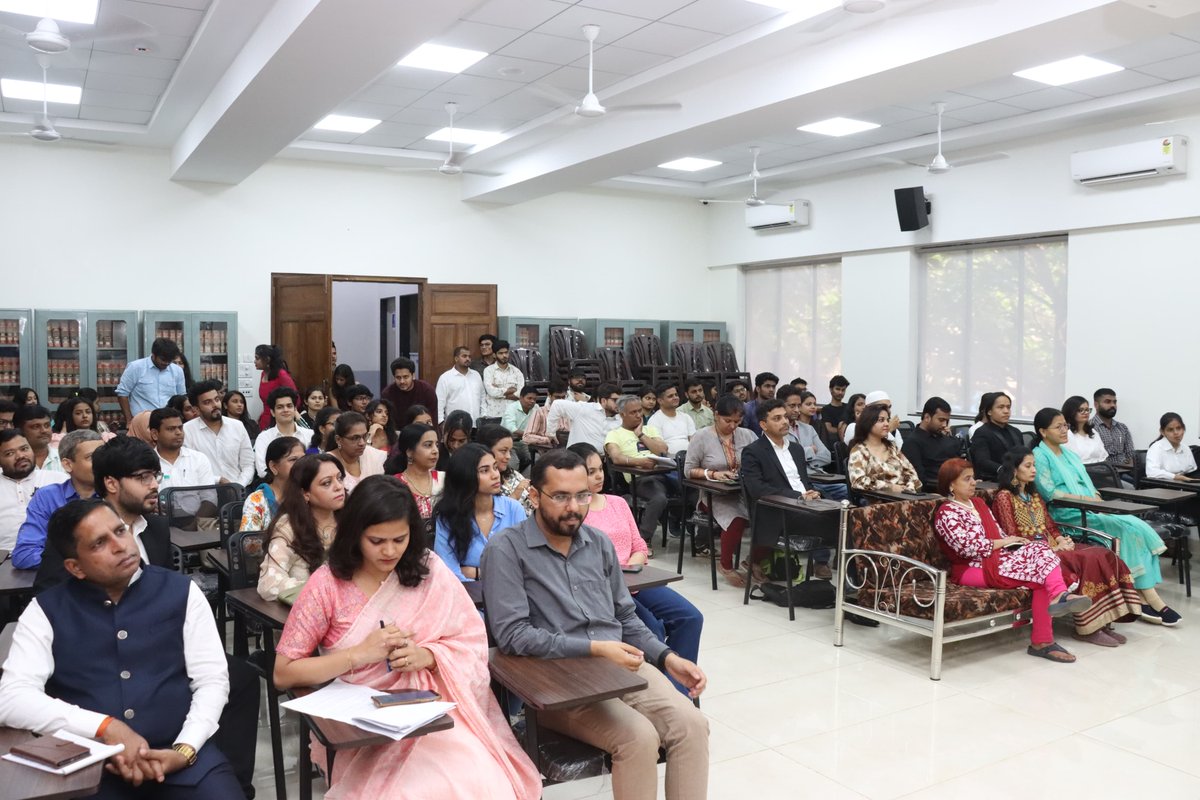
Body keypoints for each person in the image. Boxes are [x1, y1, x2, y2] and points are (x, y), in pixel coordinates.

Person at [272, 475, 541, 800]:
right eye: (376, 541)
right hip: (362, 728)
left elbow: (470, 640)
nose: (389, 551)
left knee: (480, 781)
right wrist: (357, 655)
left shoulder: (430, 570)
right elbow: (283, 671)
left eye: (399, 540)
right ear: (355, 534)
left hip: (436, 715)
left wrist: (428, 656)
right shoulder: (327, 584)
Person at [481, 450, 709, 800]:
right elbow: (513, 636)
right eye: (560, 496)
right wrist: (595, 648)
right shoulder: (506, 550)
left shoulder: (598, 543)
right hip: (558, 683)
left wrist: (667, 658)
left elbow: (625, 616)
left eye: (582, 495)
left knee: (693, 725)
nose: (573, 507)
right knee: (638, 737)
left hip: (620, 666)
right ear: (534, 495)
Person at [0, 499, 241, 797]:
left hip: (183, 757)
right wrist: (106, 727)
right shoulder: (46, 611)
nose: (120, 546)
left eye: (120, 531)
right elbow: (11, 698)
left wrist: (185, 748)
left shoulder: (181, 592)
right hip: (87, 765)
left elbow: (211, 680)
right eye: (100, 543)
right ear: (75, 567)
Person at [569, 442, 704, 696]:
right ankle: (659, 692)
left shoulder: (617, 502)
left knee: (691, 617)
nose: (598, 476)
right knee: (653, 628)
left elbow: (639, 543)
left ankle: (679, 691)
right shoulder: (573, 512)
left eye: (600, 469)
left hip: (637, 579)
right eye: (590, 471)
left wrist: (636, 562)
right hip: (606, 588)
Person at [933, 459, 1091, 663]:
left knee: (1040, 549)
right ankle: (1044, 637)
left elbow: (997, 534)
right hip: (970, 568)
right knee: (1042, 572)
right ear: (951, 485)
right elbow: (968, 548)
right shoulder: (946, 512)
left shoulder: (978, 503)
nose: (974, 482)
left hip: (998, 558)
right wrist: (1005, 542)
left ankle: (1056, 602)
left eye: (973, 477)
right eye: (967, 479)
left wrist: (1013, 542)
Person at [1030, 407, 1177, 625]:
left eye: (1065, 425)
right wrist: (1088, 501)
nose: (1064, 430)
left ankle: (1142, 597)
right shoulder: (1039, 456)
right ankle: (1151, 600)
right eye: (1058, 426)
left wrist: (1095, 496)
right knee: (1126, 529)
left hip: (1089, 508)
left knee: (1137, 526)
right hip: (1068, 513)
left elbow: (1088, 484)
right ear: (1043, 431)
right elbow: (1049, 492)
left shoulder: (1070, 454)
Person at [994, 448, 1141, 647]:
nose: (1034, 470)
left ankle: (1103, 620)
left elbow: (1050, 525)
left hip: (1052, 547)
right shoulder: (1004, 497)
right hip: (1031, 555)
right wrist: (1048, 548)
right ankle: (1088, 627)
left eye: (1034, 465)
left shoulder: (1034, 494)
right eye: (1028, 466)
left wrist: (1061, 540)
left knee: (1103, 554)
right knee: (1086, 559)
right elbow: (1011, 534)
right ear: (1013, 470)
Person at [33, 436, 171, 594]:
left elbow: (168, 587)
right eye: (144, 477)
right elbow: (48, 596)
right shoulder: (76, 529)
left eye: (155, 476)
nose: (154, 485)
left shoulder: (157, 528)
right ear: (112, 484)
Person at [741, 398, 834, 579]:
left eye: (784, 417)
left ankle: (855, 579)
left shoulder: (797, 449)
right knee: (834, 522)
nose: (784, 421)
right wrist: (799, 497)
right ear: (763, 425)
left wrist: (814, 493)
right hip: (779, 510)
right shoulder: (753, 451)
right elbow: (758, 489)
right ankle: (822, 563)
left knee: (849, 519)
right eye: (777, 419)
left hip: (806, 504)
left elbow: (804, 482)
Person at [684, 395, 758, 586]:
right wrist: (713, 474)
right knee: (737, 519)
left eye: (737, 421)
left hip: (743, 491)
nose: (733, 426)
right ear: (716, 415)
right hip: (714, 494)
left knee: (770, 517)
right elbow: (688, 471)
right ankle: (725, 565)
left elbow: (760, 459)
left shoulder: (747, 435)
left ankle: (752, 561)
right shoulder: (701, 436)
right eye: (728, 421)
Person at [258, 453, 346, 603]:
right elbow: (269, 584)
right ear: (305, 494)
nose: (339, 487)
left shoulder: (352, 519)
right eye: (326, 483)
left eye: (339, 478)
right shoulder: (289, 527)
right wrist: (328, 591)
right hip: (307, 614)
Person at [432, 444, 526, 582]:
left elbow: (524, 565)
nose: (495, 475)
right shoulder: (448, 516)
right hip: (466, 598)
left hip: (511, 594)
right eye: (484, 470)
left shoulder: (514, 509)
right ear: (464, 475)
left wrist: (476, 572)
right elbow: (448, 572)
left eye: (495, 467)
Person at [12, 430, 102, 569]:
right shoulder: (48, 497)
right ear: (67, 464)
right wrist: (84, 562)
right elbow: (25, 555)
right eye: (91, 457)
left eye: (102, 456)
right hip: (65, 581)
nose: (100, 463)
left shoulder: (117, 492)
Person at [604, 395, 670, 544]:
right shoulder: (614, 434)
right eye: (633, 412)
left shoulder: (650, 430)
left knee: (696, 493)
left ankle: (702, 541)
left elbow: (662, 451)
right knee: (658, 499)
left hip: (664, 475)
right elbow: (616, 458)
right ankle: (643, 539)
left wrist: (640, 434)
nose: (638, 415)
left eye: (640, 411)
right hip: (640, 479)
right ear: (622, 415)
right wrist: (640, 462)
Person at [0, 430, 67, 550]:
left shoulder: (59, 480)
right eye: (9, 453)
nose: (20, 456)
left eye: (24, 448)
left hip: (53, 555)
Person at [184, 381, 255, 487]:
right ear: (196, 409)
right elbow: (188, 468)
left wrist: (239, 485)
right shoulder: (187, 430)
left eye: (217, 399)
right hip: (204, 491)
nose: (215, 405)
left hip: (238, 490)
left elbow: (248, 464)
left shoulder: (237, 426)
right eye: (207, 402)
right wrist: (218, 480)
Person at [848, 402, 921, 494]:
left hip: (904, 497)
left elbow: (911, 474)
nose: (887, 424)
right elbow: (858, 482)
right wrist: (889, 487)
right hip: (877, 502)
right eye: (881, 420)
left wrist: (908, 489)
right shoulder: (859, 450)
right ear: (868, 423)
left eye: (887, 420)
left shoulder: (892, 447)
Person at [151, 407, 217, 503]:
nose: (178, 433)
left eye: (180, 428)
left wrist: (198, 518)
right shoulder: (145, 463)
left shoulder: (198, 459)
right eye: (171, 429)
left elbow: (210, 500)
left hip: (199, 516)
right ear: (155, 434)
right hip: (157, 517)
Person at [115, 337, 186, 424]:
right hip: (142, 422)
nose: (166, 363)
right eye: (163, 359)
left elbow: (181, 397)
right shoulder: (136, 367)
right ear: (154, 354)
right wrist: (129, 420)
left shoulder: (177, 371)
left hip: (169, 422)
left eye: (170, 360)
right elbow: (122, 394)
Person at [1144, 412, 1200, 523]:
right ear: (1162, 432)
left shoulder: (1185, 448)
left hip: (1184, 492)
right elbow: (1151, 472)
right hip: (1164, 495)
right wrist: (1176, 477)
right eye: (1170, 430)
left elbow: (1191, 471)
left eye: (1179, 428)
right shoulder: (1156, 448)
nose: (1176, 433)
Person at [241, 436, 304, 531]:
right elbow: (249, 543)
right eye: (293, 459)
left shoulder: (310, 494)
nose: (301, 464)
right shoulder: (257, 501)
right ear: (273, 467)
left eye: (303, 458)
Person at [902, 396, 963, 491]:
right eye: (941, 420)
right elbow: (919, 478)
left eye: (947, 421)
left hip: (956, 486)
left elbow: (959, 463)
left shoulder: (944, 437)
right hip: (936, 490)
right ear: (927, 417)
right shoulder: (912, 442)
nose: (944, 425)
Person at [254, 386, 314, 477]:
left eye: (289, 406)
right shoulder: (264, 438)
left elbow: (316, 465)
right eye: (280, 407)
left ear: (295, 409)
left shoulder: (310, 435)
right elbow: (262, 471)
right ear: (272, 412)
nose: (285, 410)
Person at [388, 423, 443, 520]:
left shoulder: (444, 479)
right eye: (428, 445)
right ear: (409, 452)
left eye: (437, 445)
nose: (435, 451)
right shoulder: (394, 485)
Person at [324, 411, 387, 494]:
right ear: (338, 440)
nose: (362, 443)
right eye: (355, 438)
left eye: (364, 436)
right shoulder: (326, 463)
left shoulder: (373, 455)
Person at [476, 424, 533, 514]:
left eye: (510, 451)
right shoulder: (479, 483)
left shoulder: (512, 474)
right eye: (503, 451)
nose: (508, 456)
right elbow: (492, 516)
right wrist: (515, 495)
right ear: (486, 450)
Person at [547, 381, 621, 450]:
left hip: (605, 460)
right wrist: (551, 433)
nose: (619, 403)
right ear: (603, 401)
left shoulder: (621, 418)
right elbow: (557, 405)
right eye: (615, 400)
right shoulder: (584, 408)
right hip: (578, 458)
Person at [969, 391, 1022, 480]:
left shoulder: (1016, 432)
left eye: (1008, 407)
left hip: (1017, 478)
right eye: (1001, 407)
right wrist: (1003, 470)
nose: (1006, 411)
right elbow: (982, 461)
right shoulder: (981, 432)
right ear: (989, 411)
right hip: (994, 479)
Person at [380, 357, 439, 429]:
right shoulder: (387, 394)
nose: (402, 381)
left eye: (405, 377)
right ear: (394, 377)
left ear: (413, 376)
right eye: (398, 377)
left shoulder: (426, 391)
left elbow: (433, 421)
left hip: (423, 432)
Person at [255, 344, 297, 431]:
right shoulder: (263, 374)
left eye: (257, 358)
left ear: (267, 359)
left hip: (279, 419)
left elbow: (296, 399)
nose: (254, 361)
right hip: (265, 418)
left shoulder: (282, 375)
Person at [1091, 387, 1135, 470]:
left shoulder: (1122, 428)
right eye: (1107, 402)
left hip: (1126, 470)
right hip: (1104, 473)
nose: (1113, 405)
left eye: (1114, 402)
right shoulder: (1089, 428)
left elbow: (1131, 455)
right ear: (1096, 405)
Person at [436, 346, 484, 422]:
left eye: (469, 356)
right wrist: (440, 422)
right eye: (464, 356)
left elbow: (482, 397)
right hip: (455, 425)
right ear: (456, 359)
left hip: (476, 423)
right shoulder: (445, 378)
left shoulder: (476, 375)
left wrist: (483, 416)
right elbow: (439, 402)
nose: (468, 359)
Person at [648, 383, 696, 454]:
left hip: (690, 458)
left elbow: (694, 441)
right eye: (670, 396)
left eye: (676, 395)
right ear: (660, 401)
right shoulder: (654, 420)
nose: (675, 398)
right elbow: (659, 447)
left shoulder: (686, 417)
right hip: (669, 461)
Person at [481, 339, 523, 418]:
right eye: (500, 353)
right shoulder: (488, 371)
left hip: (513, 415)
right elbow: (491, 391)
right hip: (494, 415)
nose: (504, 356)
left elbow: (520, 393)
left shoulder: (517, 372)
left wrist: (499, 391)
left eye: (506, 352)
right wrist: (509, 391)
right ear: (494, 355)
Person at [500, 385, 539, 472]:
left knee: (537, 460)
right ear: (521, 398)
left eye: (535, 399)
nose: (532, 401)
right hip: (508, 443)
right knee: (513, 463)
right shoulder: (511, 408)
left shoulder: (536, 408)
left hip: (525, 442)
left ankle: (523, 480)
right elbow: (511, 428)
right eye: (529, 398)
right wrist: (529, 434)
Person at [1061, 395, 1108, 465]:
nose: (1086, 413)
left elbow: (1103, 456)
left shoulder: (1093, 432)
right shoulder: (1066, 433)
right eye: (1081, 410)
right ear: (1071, 412)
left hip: (1100, 470)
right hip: (1078, 472)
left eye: (1087, 410)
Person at [15, 404, 61, 473]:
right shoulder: (12, 461)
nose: (44, 430)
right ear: (20, 430)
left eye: (47, 425)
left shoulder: (64, 457)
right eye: (36, 426)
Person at [523, 380, 568, 449]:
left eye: (563, 397)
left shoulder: (570, 412)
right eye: (557, 397)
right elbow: (526, 437)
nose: (561, 401)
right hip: (549, 449)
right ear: (549, 395)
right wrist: (547, 439)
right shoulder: (540, 412)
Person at [823, 375, 850, 440]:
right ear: (831, 389)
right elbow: (829, 429)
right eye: (838, 389)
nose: (840, 392)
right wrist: (845, 431)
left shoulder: (848, 407)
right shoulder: (826, 409)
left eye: (843, 390)